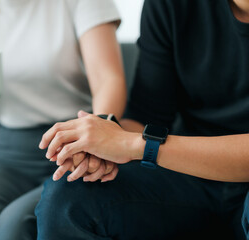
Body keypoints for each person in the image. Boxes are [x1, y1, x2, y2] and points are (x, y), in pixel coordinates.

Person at [35, 0, 249, 239]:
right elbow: (147, 115)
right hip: (191, 176)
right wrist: (99, 148)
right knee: (66, 199)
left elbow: (138, 140)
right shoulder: (171, 5)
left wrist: (138, 145)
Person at [0, 0, 126, 239]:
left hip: (73, 147)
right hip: (9, 152)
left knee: (15, 225)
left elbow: (107, 80)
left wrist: (96, 143)